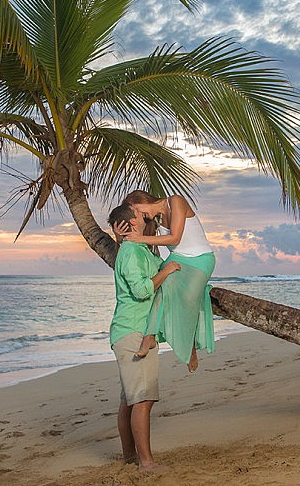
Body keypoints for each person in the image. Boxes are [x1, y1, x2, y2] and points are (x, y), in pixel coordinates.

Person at [108, 202, 181, 472]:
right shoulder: (131, 253)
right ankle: (146, 463)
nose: (145, 214)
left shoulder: (140, 250)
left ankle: (129, 456)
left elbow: (160, 263)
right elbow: (141, 290)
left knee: (130, 398)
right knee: (142, 398)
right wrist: (166, 271)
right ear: (131, 223)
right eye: (140, 214)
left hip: (131, 329)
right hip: (133, 331)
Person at [114, 190, 215, 373]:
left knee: (188, 298)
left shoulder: (176, 201)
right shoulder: (154, 221)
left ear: (141, 200)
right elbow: (140, 252)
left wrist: (138, 237)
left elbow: (175, 237)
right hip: (178, 258)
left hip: (200, 259)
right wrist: (120, 237)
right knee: (162, 282)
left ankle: (190, 345)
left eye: (137, 211)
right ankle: (149, 337)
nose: (140, 217)